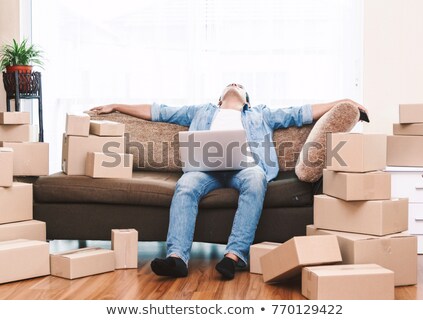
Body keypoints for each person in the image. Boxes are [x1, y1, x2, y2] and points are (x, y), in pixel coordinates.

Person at [91, 84, 367, 280]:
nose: (234, 85)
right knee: (185, 186)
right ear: (219, 97)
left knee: (257, 180)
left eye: (239, 85)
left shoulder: (261, 113)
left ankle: (233, 257)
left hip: (246, 168)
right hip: (205, 170)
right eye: (229, 84)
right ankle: (177, 258)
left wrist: (344, 102)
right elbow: (157, 111)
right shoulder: (200, 111)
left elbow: (303, 112)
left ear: (247, 98)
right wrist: (116, 105)